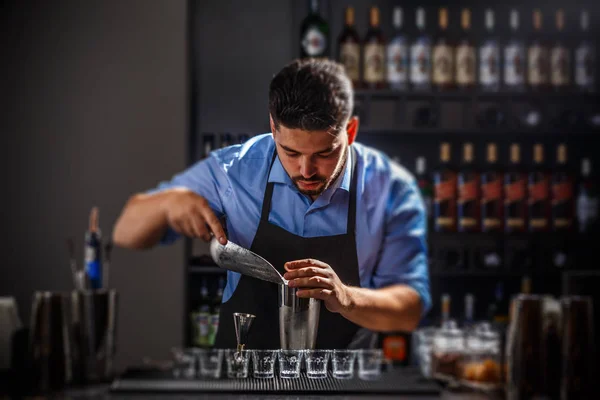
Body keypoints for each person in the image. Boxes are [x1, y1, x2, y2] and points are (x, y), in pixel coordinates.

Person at [113, 58, 431, 349]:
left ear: (350, 131)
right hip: (241, 381)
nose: (305, 171)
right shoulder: (234, 171)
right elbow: (126, 232)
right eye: (290, 153)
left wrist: (344, 297)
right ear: (272, 127)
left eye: (323, 154)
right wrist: (168, 204)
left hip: (342, 384)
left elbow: (409, 311)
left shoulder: (391, 189)